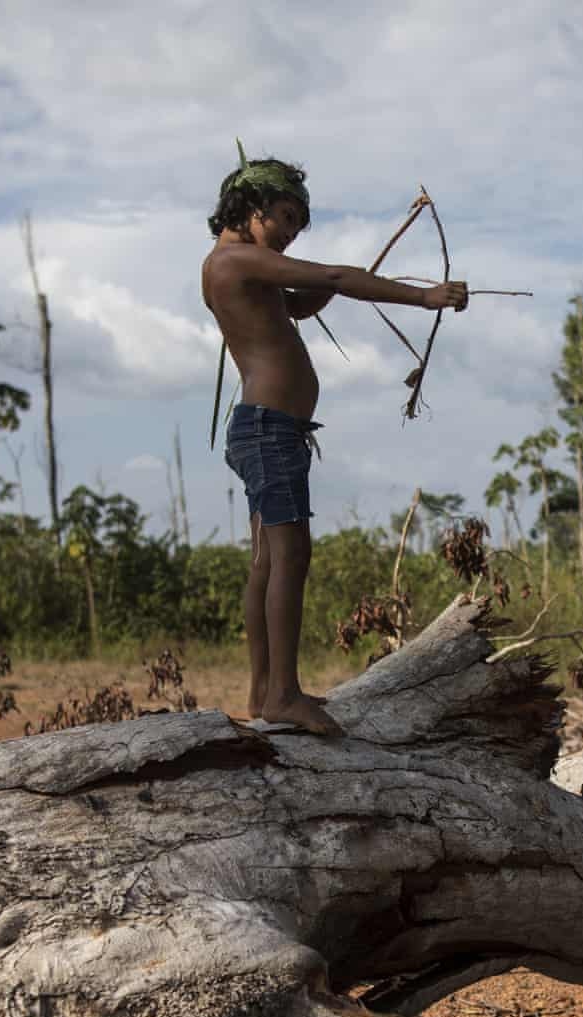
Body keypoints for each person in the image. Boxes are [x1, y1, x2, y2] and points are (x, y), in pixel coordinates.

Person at [202, 153, 467, 736]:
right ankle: (282, 695)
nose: (290, 233)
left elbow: (299, 302)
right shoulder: (233, 260)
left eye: (298, 225)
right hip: (269, 429)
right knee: (289, 555)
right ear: (251, 208)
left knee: (269, 559)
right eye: (285, 218)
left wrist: (333, 289)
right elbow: (335, 277)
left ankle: (264, 693)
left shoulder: (243, 267)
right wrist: (424, 297)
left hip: (270, 428)